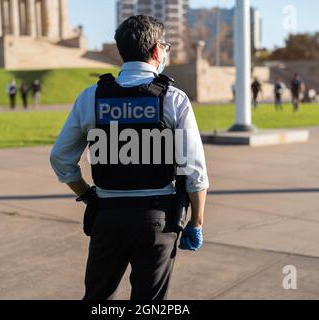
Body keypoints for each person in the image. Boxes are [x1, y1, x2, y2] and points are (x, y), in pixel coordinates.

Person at [50, 15, 209, 300]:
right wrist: (196, 222)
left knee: (97, 298)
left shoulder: (91, 97)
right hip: (156, 218)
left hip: (108, 215)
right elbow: (194, 171)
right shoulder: (173, 98)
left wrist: (88, 195)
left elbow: (61, 159)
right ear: (157, 50)